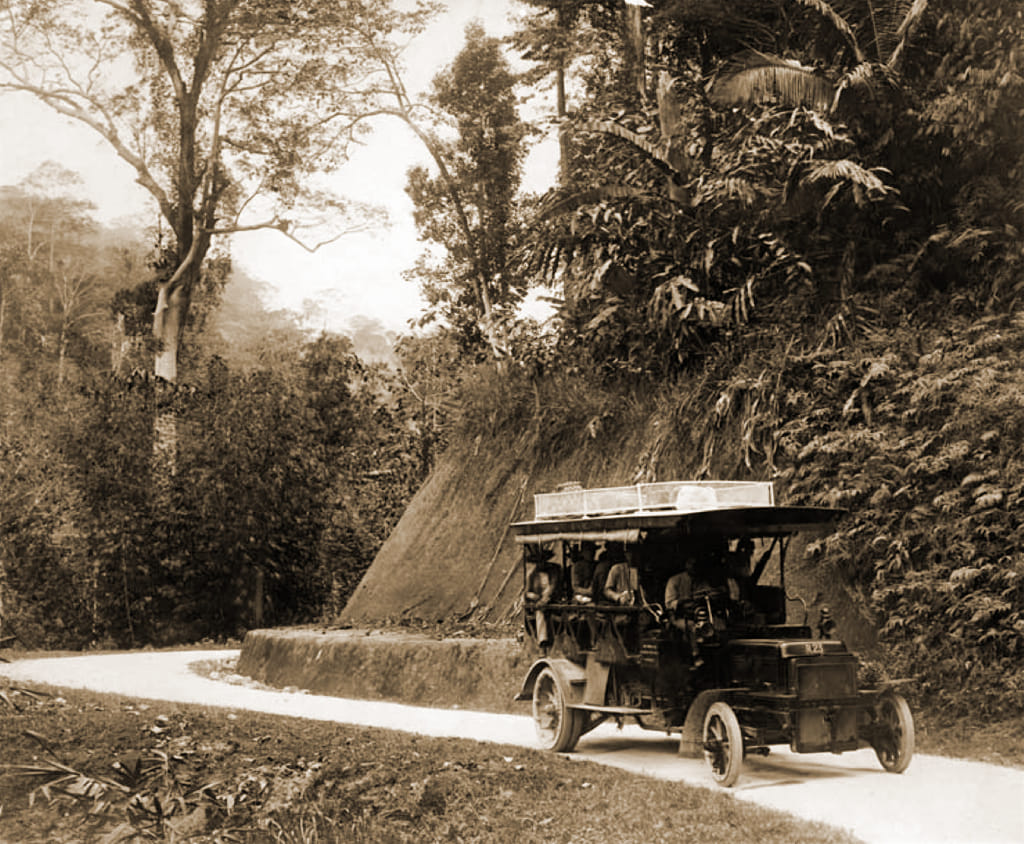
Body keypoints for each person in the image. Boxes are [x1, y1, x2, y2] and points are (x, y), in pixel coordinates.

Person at [525, 547, 560, 647]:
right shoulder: (532, 575)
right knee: (539, 611)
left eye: (543, 561)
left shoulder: (553, 571)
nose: (541, 564)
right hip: (536, 601)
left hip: (551, 599)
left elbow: (552, 586)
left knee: (542, 608)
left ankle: (545, 639)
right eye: (538, 562)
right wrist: (532, 596)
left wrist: (545, 598)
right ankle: (542, 640)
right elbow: (527, 591)